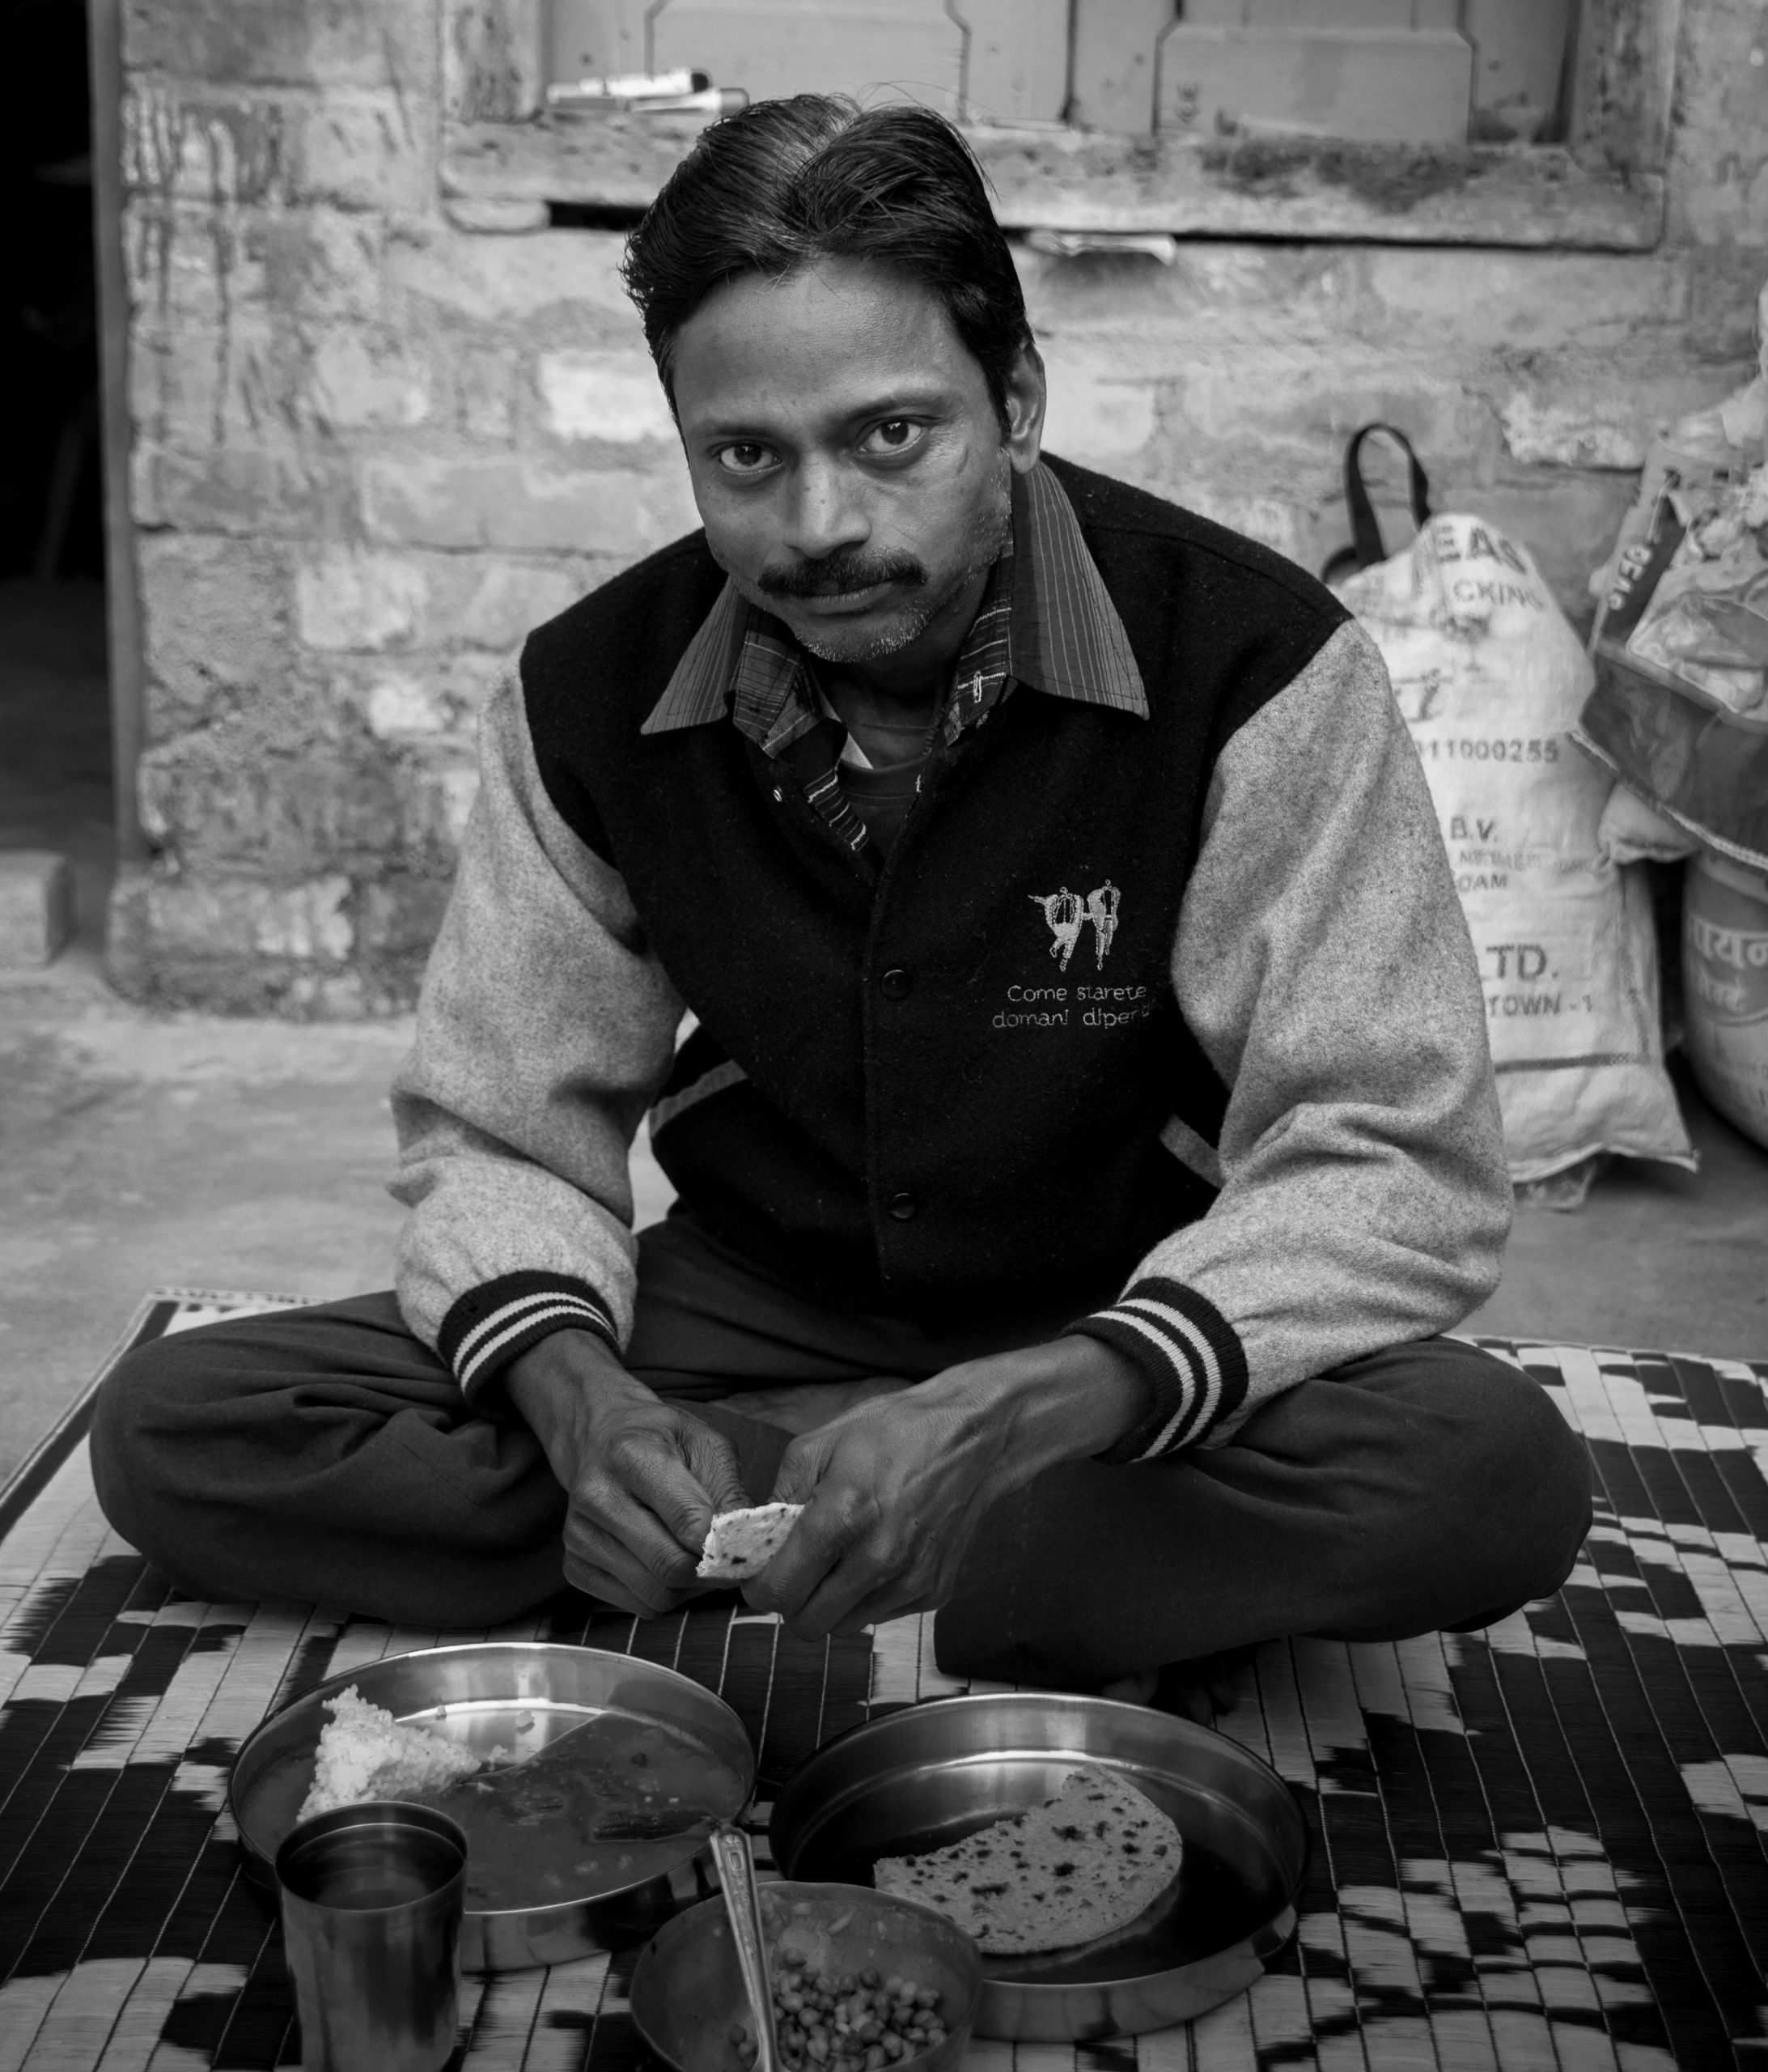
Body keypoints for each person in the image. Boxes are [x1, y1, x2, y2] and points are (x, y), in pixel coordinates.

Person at [91, 96, 1591, 1704]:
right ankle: (857, 1525)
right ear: (685, 442)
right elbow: (504, 1130)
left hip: (1123, 1318)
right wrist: (588, 1406)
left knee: (1493, 1469)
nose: (818, 527)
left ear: (1013, 398)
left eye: (892, 435)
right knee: (184, 1424)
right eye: (746, 457)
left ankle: (874, 1536)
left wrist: (1033, 1399)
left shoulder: (1254, 663)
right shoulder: (588, 693)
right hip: (747, 1309)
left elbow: (1391, 1154)